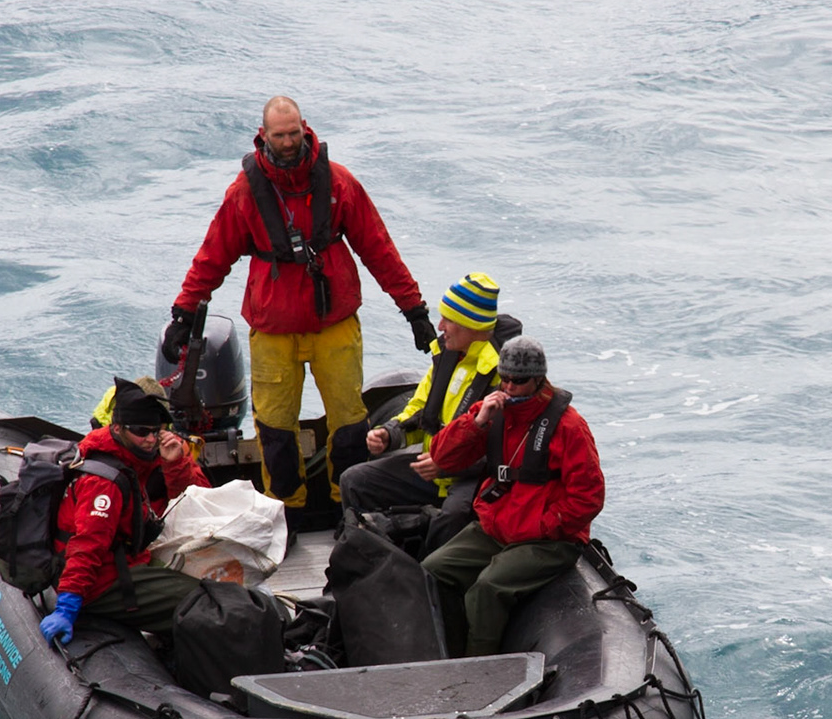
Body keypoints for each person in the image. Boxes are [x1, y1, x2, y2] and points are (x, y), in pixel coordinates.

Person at [162, 96, 433, 517]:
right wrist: (184, 312)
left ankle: (350, 507)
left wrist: (414, 310)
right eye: (279, 135)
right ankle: (283, 511)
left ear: (304, 128)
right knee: (274, 428)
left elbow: (379, 250)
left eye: (293, 134)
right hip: (273, 329)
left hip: (334, 324)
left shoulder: (340, 183)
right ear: (263, 135)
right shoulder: (244, 193)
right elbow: (212, 256)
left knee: (348, 422)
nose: (288, 143)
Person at [420, 338, 604, 657]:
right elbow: (442, 456)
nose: (509, 386)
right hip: (497, 527)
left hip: (549, 539)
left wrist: (545, 525)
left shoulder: (570, 426)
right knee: (433, 569)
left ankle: (480, 666)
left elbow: (589, 497)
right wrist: (477, 422)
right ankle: (446, 652)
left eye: (518, 381)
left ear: (538, 379)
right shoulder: (495, 410)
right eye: (504, 378)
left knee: (487, 588)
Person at [39, 378, 211, 646]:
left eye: (156, 430)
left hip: (137, 551)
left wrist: (175, 463)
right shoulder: (104, 482)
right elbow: (88, 545)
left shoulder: (150, 451)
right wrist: (67, 606)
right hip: (104, 575)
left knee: (218, 584)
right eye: (142, 431)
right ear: (117, 428)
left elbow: (199, 502)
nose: (151, 439)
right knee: (207, 604)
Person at [338, 272, 502, 528]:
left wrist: (446, 466)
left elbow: (501, 452)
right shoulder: (448, 356)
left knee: (453, 516)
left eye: (449, 319)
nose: (440, 327)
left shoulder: (501, 375)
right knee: (355, 481)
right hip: (433, 469)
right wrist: (389, 434)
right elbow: (420, 410)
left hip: (470, 477)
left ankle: (431, 566)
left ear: (471, 325)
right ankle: (365, 552)